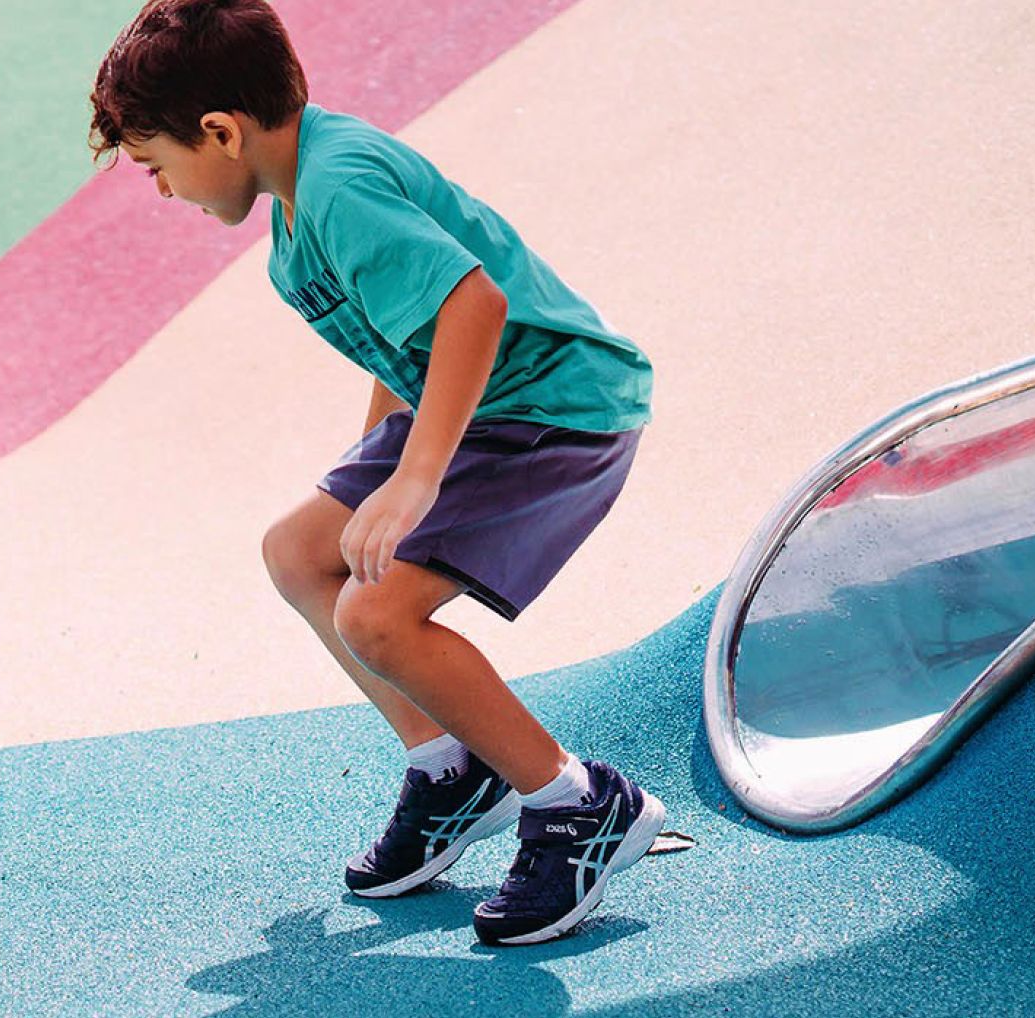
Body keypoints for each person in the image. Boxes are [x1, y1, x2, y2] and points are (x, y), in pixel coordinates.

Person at [87, 0, 668, 946]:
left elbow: (470, 306)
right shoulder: (296, 200)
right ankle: (453, 767)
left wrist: (416, 480)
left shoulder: (339, 185)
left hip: (553, 410)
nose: (160, 190)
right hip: (484, 408)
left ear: (222, 132)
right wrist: (375, 465)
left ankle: (577, 804)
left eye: (156, 165)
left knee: (377, 612)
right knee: (298, 551)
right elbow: (403, 332)